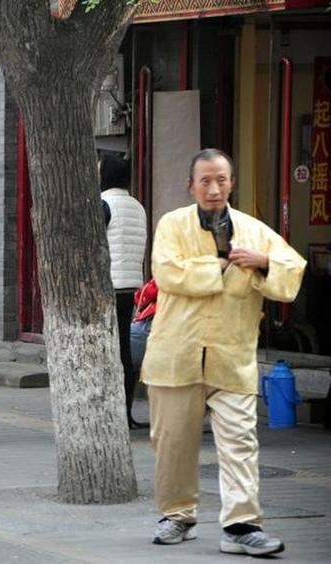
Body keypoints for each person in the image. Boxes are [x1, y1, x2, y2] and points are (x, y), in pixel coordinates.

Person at [142, 149, 306, 555]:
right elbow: (167, 271)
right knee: (173, 443)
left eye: (221, 180)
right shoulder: (171, 225)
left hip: (232, 356)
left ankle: (241, 525)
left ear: (232, 183)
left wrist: (263, 261)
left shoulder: (254, 231)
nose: (214, 189)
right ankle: (177, 515)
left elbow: (291, 271)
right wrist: (217, 265)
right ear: (191, 185)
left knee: (240, 442)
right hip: (176, 355)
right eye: (205, 181)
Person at [99, 151, 148, 429]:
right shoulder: (136, 206)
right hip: (130, 287)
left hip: (108, 288)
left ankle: (112, 415)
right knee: (124, 353)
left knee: (109, 353)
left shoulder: (104, 204)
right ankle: (126, 414)